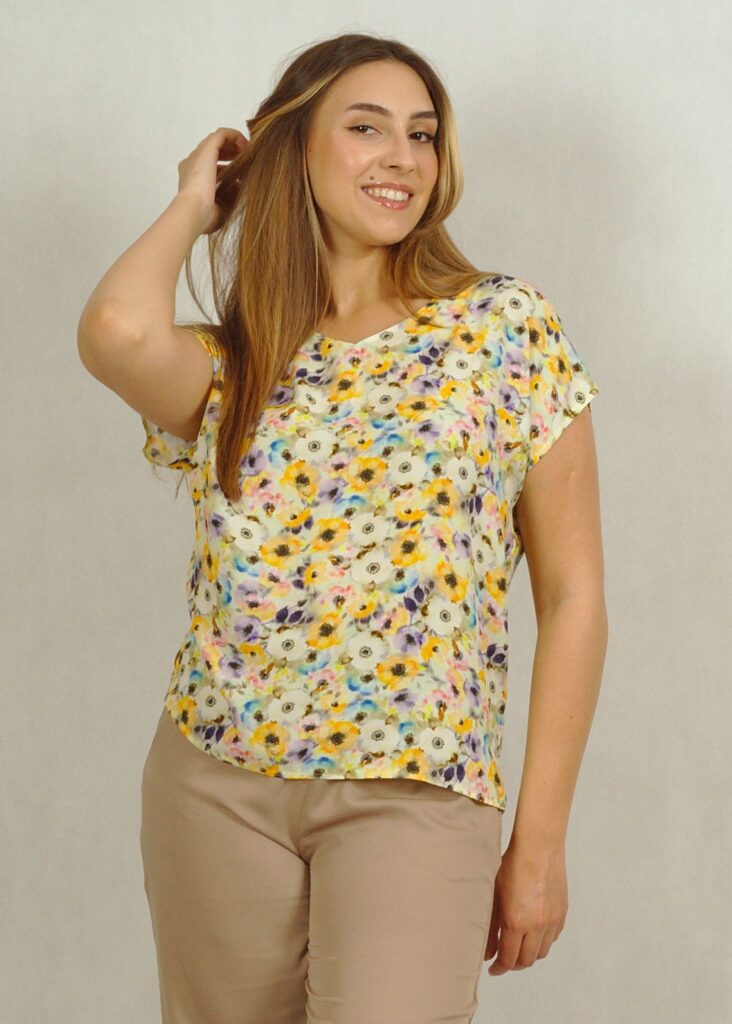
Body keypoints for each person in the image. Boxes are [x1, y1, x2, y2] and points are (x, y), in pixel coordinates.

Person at [77, 31, 607, 1024]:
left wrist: (539, 842)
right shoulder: (239, 360)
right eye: (366, 128)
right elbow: (116, 331)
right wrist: (197, 199)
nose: (402, 156)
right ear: (295, 147)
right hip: (215, 782)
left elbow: (574, 594)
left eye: (422, 134)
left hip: (415, 786)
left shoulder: (501, 330)